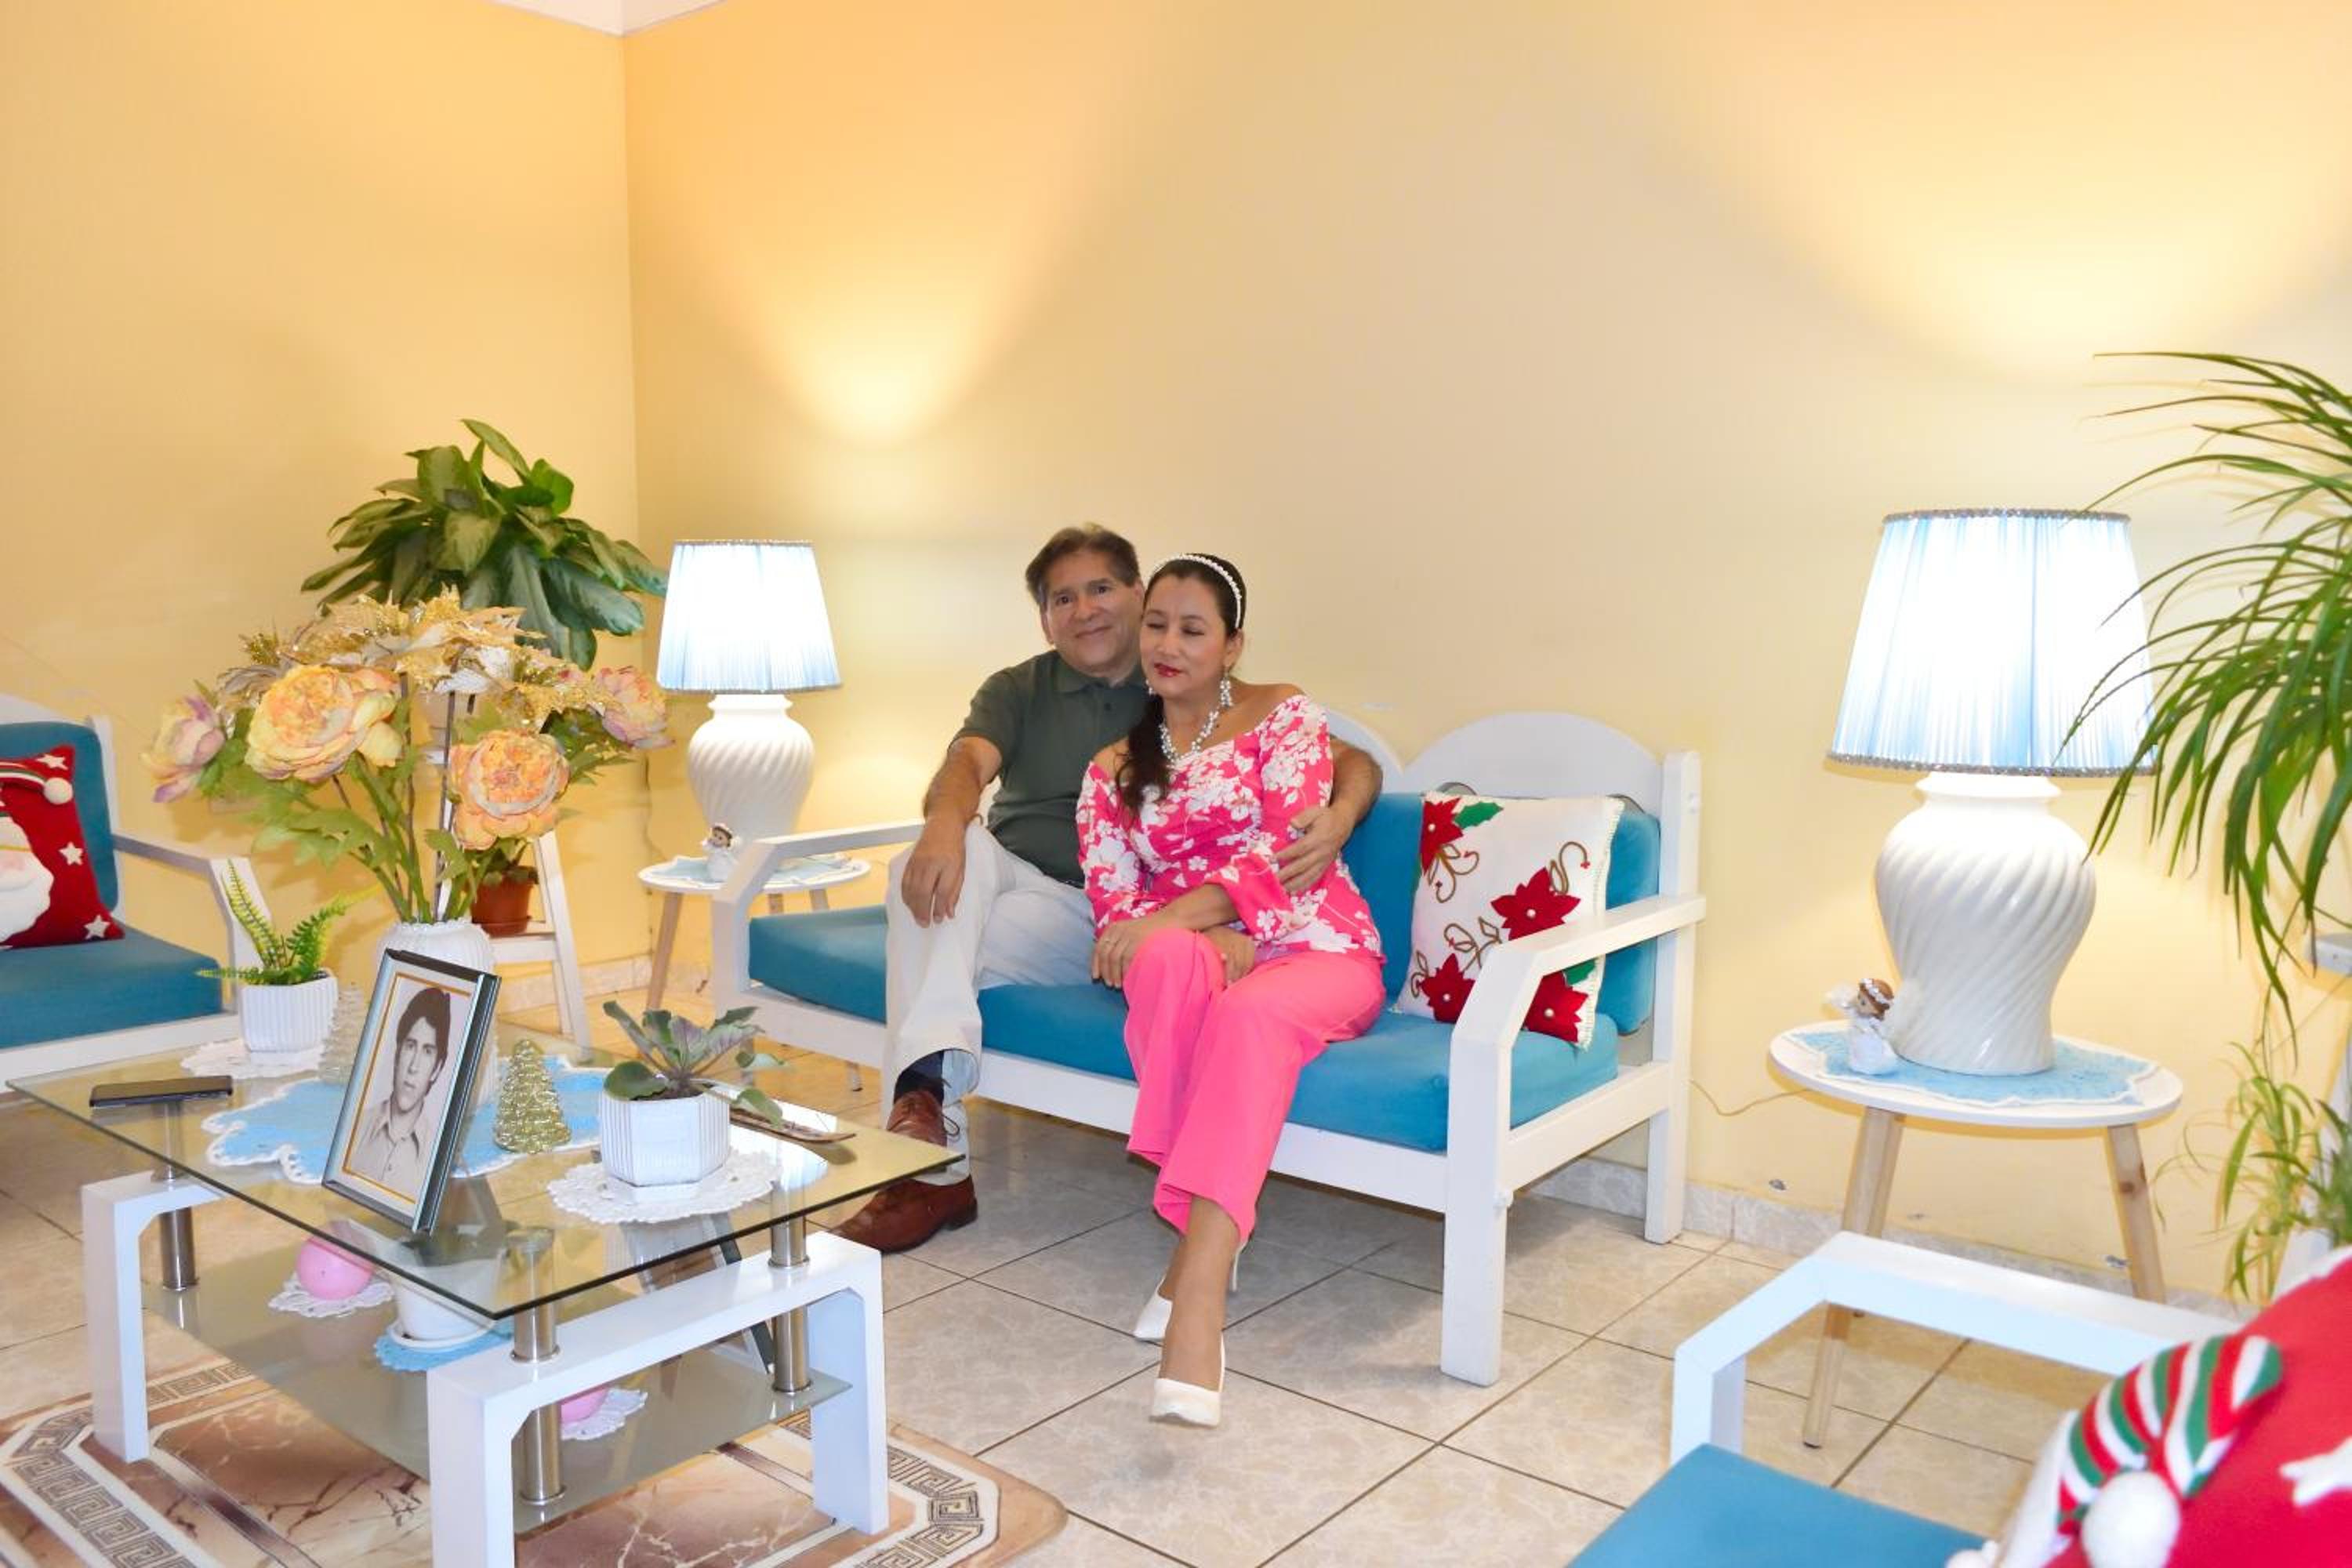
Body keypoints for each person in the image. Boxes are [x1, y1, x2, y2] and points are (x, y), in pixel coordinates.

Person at [835, 526, 1382, 1252]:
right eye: (1063, 598)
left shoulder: (1189, 685)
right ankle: (924, 1119)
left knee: (936, 944)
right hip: (1030, 886)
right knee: (931, 876)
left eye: (1101, 589)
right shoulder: (1021, 690)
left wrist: (1339, 818)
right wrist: (941, 822)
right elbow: (966, 762)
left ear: (1137, 594)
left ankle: (929, 1162)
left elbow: (1346, 761)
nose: (1085, 610)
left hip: (1093, 917)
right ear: (1044, 619)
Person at [1075, 553, 1386, 1428]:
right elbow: (1117, 912)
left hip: (1317, 945)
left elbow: (1289, 851)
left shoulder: (1282, 715)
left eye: (1192, 629)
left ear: (1233, 644)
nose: (1168, 645)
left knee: (1247, 1012)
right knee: (1160, 960)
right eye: (1156, 625)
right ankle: (1208, 1238)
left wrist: (1196, 919)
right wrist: (1199, 935)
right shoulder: (1110, 770)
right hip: (1204, 953)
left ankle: (1198, 1291)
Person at [350, 985, 453, 1198]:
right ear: (397, 1053)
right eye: (410, 1046)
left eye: (427, 1051)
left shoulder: (437, 1156)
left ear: (437, 1069)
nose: (414, 1066)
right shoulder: (355, 1127)